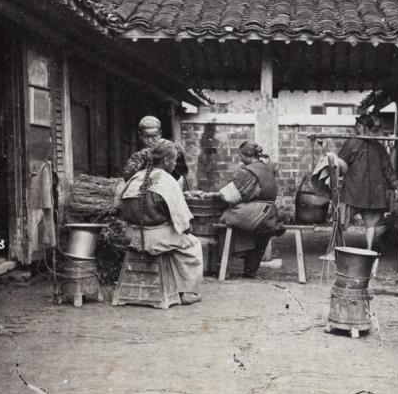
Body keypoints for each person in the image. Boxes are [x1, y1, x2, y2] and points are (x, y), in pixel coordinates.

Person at [116, 139, 203, 305]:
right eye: (175, 160)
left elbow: (118, 207)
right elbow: (184, 224)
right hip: (154, 239)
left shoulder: (135, 177)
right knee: (191, 244)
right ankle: (185, 291)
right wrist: (183, 229)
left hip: (130, 236)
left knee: (170, 237)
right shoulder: (168, 182)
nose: (175, 164)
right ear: (166, 161)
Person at [209, 141, 285, 278]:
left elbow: (231, 196)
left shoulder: (248, 171)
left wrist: (212, 195)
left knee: (224, 220)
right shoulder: (268, 168)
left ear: (248, 156)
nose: (240, 159)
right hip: (270, 214)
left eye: (241, 156)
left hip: (257, 213)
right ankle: (251, 269)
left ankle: (223, 268)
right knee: (257, 231)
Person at [334, 114, 398, 253]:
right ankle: (367, 249)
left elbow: (340, 164)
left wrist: (396, 185)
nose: (356, 128)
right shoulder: (377, 146)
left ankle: (340, 249)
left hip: (355, 192)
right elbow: (388, 170)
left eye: (357, 125)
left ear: (362, 126)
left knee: (340, 220)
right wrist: (396, 184)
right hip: (369, 193)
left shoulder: (353, 144)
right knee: (368, 224)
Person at [123, 116, 189, 184]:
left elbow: (183, 172)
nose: (150, 141)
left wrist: (175, 154)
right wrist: (145, 162)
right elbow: (128, 179)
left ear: (160, 134)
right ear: (140, 136)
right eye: (146, 137)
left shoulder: (170, 152)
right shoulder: (137, 157)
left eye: (154, 136)